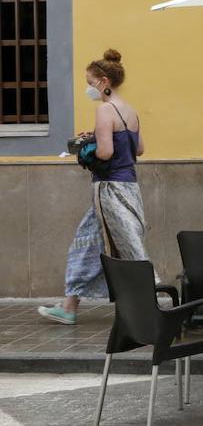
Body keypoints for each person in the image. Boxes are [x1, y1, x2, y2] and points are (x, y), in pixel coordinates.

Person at [39, 49, 148, 325]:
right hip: (129, 189)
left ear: (103, 81)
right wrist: (99, 136)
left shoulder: (104, 109)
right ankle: (70, 306)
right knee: (93, 244)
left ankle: (146, 306)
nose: (88, 88)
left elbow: (105, 153)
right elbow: (141, 149)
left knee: (124, 248)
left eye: (90, 83)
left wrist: (87, 147)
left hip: (108, 190)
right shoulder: (131, 111)